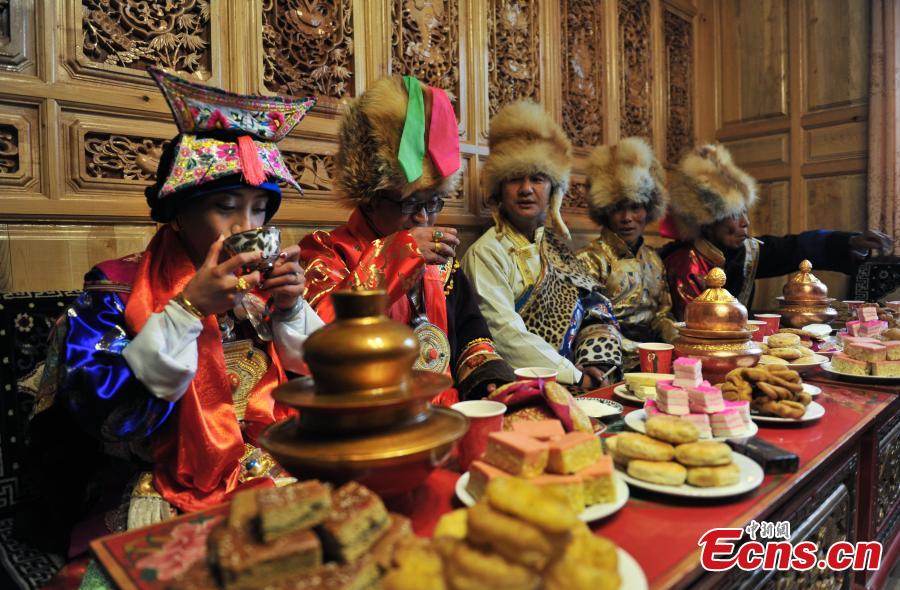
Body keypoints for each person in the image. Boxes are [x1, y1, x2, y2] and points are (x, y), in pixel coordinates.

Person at [26, 67, 324, 547]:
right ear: (179, 215)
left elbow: (318, 386)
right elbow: (105, 415)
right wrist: (186, 309)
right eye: (226, 205)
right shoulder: (116, 290)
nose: (245, 226)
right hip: (161, 478)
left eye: (259, 209)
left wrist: (290, 309)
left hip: (272, 462)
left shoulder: (262, 287)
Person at [299, 75, 514, 404]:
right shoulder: (326, 253)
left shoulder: (442, 264)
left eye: (433, 203)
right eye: (411, 204)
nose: (423, 218)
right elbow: (321, 342)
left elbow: (473, 335)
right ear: (369, 199)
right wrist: (398, 256)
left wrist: (487, 378)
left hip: (448, 417)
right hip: (372, 422)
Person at [460, 101, 623, 389]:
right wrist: (575, 376)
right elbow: (505, 336)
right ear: (499, 189)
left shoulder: (556, 249)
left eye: (537, 178)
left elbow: (594, 310)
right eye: (514, 179)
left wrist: (596, 363)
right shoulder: (486, 254)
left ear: (553, 191)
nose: (525, 189)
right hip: (522, 385)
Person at [661, 143, 893, 319]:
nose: (745, 223)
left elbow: (795, 248)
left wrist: (852, 243)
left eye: (745, 212)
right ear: (707, 222)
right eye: (733, 214)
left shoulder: (747, 251)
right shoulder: (684, 262)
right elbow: (690, 329)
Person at [576, 137, 677, 370]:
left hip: (656, 356)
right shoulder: (589, 260)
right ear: (604, 211)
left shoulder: (653, 259)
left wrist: (676, 337)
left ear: (648, 209)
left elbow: (663, 313)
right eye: (618, 208)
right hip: (608, 362)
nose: (627, 218)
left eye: (635, 207)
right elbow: (590, 326)